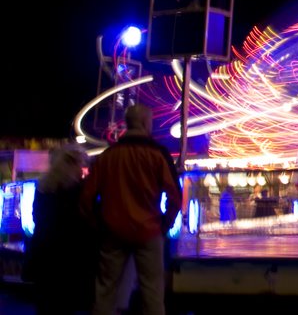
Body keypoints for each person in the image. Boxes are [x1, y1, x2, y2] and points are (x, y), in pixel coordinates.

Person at [80, 103, 182, 315]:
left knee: (106, 290)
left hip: (113, 230)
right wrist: (164, 224)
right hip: (148, 230)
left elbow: (87, 197)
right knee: (152, 291)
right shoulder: (158, 154)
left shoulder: (108, 156)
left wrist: (98, 224)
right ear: (146, 124)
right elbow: (175, 195)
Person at [23, 143, 95, 314]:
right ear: (73, 165)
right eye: (80, 166)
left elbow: (36, 217)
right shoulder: (79, 190)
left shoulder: (42, 187)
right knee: (67, 304)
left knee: (46, 305)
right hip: (70, 258)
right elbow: (84, 223)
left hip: (43, 255)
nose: (82, 171)